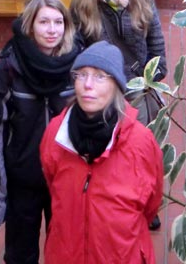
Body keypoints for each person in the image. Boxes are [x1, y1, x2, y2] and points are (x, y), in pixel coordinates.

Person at [0, 0, 82, 264]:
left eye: (58, 22)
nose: (52, 30)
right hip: (22, 180)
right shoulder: (8, 71)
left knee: (65, 251)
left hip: (65, 179)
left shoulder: (80, 67)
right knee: (20, 254)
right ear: (30, 26)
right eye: (44, 22)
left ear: (66, 26)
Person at [40, 41, 164, 264]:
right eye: (81, 75)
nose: (88, 84)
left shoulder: (141, 143)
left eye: (99, 76)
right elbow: (53, 186)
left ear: (116, 85)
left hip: (121, 255)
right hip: (66, 254)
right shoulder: (55, 134)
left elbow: (151, 203)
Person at [71, 0, 167, 109]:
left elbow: (156, 40)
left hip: (136, 82)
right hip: (100, 83)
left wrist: (151, 77)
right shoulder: (83, 1)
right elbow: (75, 46)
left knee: (140, 129)